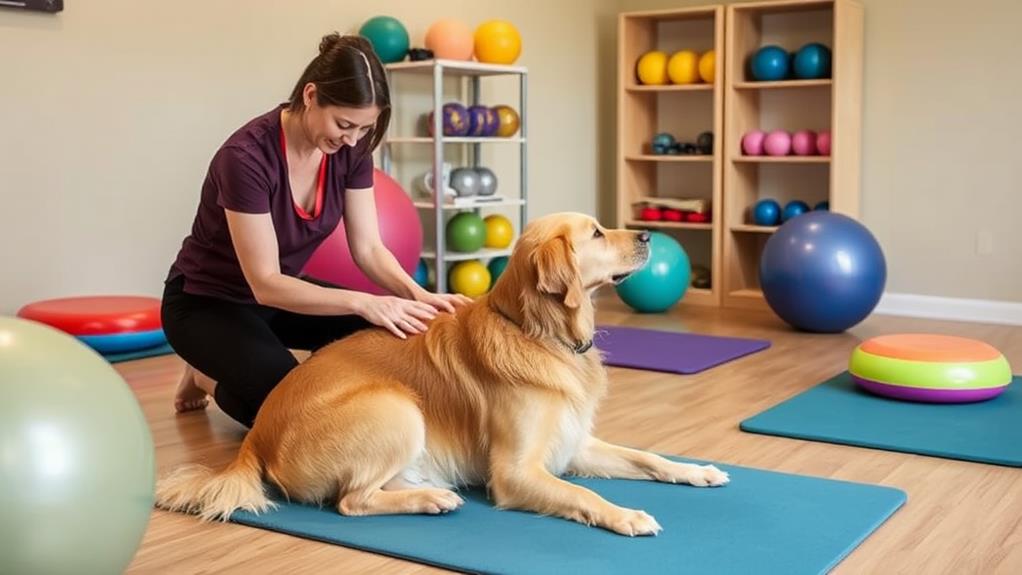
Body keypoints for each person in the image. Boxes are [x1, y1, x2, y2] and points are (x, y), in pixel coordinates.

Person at [162, 33, 469, 427]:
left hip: (282, 301)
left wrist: (419, 296)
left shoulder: (351, 149)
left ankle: (239, 361)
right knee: (296, 408)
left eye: (363, 128)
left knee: (395, 336)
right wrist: (364, 301)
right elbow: (265, 283)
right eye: (344, 124)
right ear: (310, 95)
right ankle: (203, 375)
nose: (353, 139)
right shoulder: (245, 158)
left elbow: (369, 249)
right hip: (207, 304)